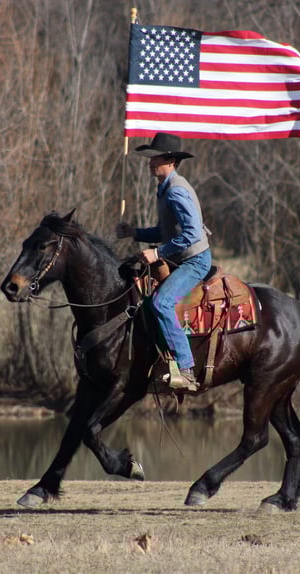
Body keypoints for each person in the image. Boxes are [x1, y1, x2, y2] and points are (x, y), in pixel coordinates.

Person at [116, 133, 211, 392]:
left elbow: (191, 234)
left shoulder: (177, 190)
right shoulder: (165, 188)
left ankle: (187, 370)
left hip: (195, 260)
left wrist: (157, 254)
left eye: (154, 157)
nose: (150, 162)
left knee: (162, 302)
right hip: (180, 257)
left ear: (169, 160)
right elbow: (165, 231)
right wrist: (134, 233)